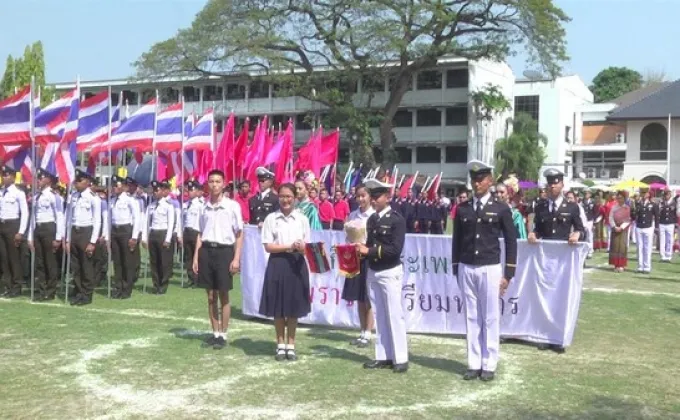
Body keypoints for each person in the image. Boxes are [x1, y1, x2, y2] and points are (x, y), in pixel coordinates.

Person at [452, 161, 517, 382]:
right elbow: (457, 240)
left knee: (490, 317)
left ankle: (489, 363)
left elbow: (511, 241)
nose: (476, 183)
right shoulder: (463, 208)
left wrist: (508, 273)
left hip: (490, 267)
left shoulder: (501, 208)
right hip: (467, 266)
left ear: (490, 181)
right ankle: (473, 362)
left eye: (480, 180)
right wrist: (455, 267)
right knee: (471, 316)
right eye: (474, 180)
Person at [355, 178, 408, 373]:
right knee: (380, 315)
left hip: (390, 270)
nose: (374, 200)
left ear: (387, 197)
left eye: (378, 196)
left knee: (394, 315)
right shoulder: (372, 220)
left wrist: (367, 252)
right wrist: (358, 249)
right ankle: (383, 355)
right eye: (373, 196)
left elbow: (394, 249)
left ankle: (400, 358)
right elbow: (369, 243)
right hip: (374, 270)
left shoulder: (397, 219)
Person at [527, 168, 584, 353]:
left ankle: (559, 337)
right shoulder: (541, 206)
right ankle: (545, 334)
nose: (552, 186)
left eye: (556, 182)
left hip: (564, 259)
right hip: (545, 258)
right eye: (550, 183)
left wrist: (577, 234)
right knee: (544, 296)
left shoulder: (572, 207)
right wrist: (533, 234)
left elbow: (581, 229)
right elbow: (538, 229)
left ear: (562, 185)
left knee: (561, 297)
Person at [259, 183, 312, 361]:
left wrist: (301, 247)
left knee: (293, 307)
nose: (285, 200)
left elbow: (308, 247)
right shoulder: (271, 219)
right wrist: (289, 246)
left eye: (289, 196)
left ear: (295, 197)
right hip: (278, 263)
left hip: (297, 264)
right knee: (278, 307)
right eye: (282, 196)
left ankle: (291, 344)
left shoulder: (302, 219)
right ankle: (280, 344)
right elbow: (268, 246)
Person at [193, 170, 243, 350]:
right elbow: (200, 232)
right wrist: (196, 257)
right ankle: (214, 333)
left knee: (223, 294)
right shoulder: (203, 206)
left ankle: (223, 333)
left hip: (224, 252)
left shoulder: (232, 206)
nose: (214, 185)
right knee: (210, 296)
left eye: (218, 181)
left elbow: (239, 233)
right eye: (211, 181)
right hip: (207, 250)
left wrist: (236, 258)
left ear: (224, 184)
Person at [341, 184, 375, 348]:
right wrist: (351, 243)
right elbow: (347, 237)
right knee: (358, 298)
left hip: (368, 258)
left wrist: (364, 246)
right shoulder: (353, 215)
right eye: (358, 196)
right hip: (354, 258)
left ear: (369, 197)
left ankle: (368, 332)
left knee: (368, 298)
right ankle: (362, 332)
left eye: (364, 196)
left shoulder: (374, 216)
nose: (360, 199)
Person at [65, 169, 102, 306]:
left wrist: (92, 242)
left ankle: (86, 294)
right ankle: (79, 292)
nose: (76, 184)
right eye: (75, 181)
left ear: (87, 182)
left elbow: (97, 220)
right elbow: (69, 218)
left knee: (86, 265)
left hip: (86, 232)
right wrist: (68, 239)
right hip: (74, 231)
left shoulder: (93, 197)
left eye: (79, 181)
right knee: (76, 266)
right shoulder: (73, 196)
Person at [27, 169, 64, 301]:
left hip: (49, 229)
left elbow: (59, 216)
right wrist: (30, 237)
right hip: (38, 229)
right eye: (37, 179)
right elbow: (33, 217)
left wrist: (58, 237)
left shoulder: (54, 196)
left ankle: (50, 290)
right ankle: (41, 289)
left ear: (48, 180)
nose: (38, 181)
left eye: (41, 178)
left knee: (50, 262)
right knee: (39, 262)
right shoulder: (36, 196)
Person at [109, 175, 141, 299]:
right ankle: (118, 287)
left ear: (123, 186)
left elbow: (136, 218)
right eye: (112, 185)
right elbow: (109, 219)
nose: (114, 188)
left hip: (126, 230)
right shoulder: (112, 201)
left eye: (116, 185)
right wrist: (107, 236)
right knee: (117, 262)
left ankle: (127, 289)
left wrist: (134, 237)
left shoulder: (130, 200)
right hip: (115, 231)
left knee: (127, 261)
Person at [142, 180, 175, 295]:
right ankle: (156, 284)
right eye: (153, 191)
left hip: (163, 233)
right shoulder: (151, 206)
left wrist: (168, 239)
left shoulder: (168, 206)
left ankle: (163, 284)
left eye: (157, 190)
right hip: (153, 234)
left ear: (162, 191)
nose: (155, 193)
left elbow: (171, 224)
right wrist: (144, 238)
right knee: (154, 261)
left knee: (164, 261)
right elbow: (146, 223)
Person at [0, 165, 28, 297]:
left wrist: (20, 232)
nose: (4, 177)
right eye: (3, 175)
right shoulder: (1, 192)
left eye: (6, 175)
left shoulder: (19, 193)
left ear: (12, 177)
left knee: (14, 258)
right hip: (2, 225)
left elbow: (25, 213)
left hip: (13, 226)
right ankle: (8, 285)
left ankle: (16, 287)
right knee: (4, 258)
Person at [182, 180, 204, 288]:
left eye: (192, 190)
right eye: (189, 190)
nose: (190, 192)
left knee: (197, 257)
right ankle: (190, 278)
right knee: (188, 256)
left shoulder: (200, 205)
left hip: (196, 232)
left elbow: (201, 221)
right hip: (187, 231)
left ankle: (197, 279)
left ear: (197, 191)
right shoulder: (185, 204)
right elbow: (183, 220)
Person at [633, 190, 657, 273]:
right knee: (639, 247)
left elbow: (656, 216)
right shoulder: (638, 204)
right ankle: (640, 266)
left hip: (648, 227)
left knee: (647, 247)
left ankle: (647, 267)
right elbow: (634, 215)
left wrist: (656, 228)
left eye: (645, 193)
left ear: (648, 194)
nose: (643, 194)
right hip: (639, 227)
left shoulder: (653, 204)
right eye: (642, 193)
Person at [609, 191, 631, 273]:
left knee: (622, 246)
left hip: (623, 230)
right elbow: (610, 217)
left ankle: (621, 265)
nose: (619, 199)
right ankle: (616, 265)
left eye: (621, 198)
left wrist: (621, 227)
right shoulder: (614, 207)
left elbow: (628, 219)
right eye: (618, 198)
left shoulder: (627, 208)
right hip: (615, 229)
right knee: (615, 246)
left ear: (624, 199)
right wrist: (614, 227)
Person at [658, 188, 678, 262]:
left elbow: (675, 214)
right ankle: (662, 256)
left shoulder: (673, 203)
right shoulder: (662, 202)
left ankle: (668, 255)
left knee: (669, 240)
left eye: (667, 194)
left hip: (670, 223)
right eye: (665, 194)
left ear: (670, 195)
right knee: (662, 240)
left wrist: (675, 225)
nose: (666, 196)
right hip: (662, 223)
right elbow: (659, 212)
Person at [582, 191, 596, 258]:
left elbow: (595, 212)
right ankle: (585, 250)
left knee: (590, 236)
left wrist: (594, 223)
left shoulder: (593, 202)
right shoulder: (582, 201)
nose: (586, 195)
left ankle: (590, 250)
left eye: (587, 193)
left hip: (590, 221)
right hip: (584, 220)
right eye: (585, 193)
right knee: (584, 236)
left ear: (590, 194)